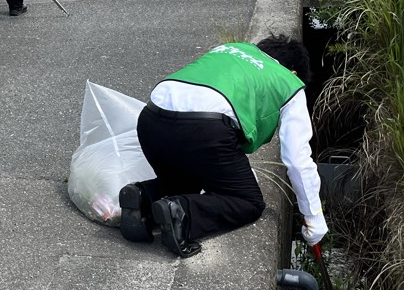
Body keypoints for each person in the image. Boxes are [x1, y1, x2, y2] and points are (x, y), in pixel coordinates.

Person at [118, 35, 326, 258]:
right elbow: (297, 160)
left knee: (186, 183)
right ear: (293, 71)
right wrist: (313, 218)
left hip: (151, 121)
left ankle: (143, 197)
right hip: (204, 130)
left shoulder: (230, 49)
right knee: (248, 202)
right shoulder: (289, 83)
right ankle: (181, 213)